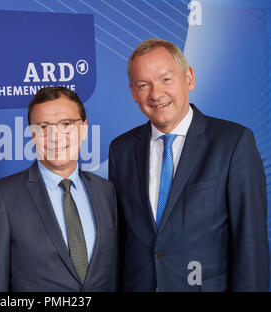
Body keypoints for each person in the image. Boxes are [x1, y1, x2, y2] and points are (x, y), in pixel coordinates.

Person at [109, 38, 269, 291]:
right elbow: (120, 242)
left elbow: (251, 244)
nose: (156, 94)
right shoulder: (121, 149)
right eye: (143, 85)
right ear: (133, 92)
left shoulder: (234, 142)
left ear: (189, 78)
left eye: (166, 79)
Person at [0, 86, 118, 291]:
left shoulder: (106, 191)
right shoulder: (2, 197)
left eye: (66, 124)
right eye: (43, 127)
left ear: (84, 129)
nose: (55, 137)